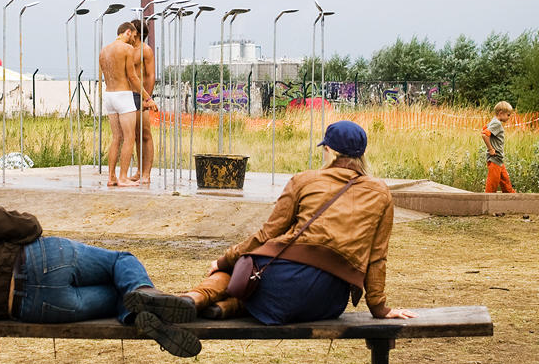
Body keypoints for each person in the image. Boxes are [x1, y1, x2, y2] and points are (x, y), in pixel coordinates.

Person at [0, 165, 201, 357]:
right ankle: (146, 294)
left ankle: (140, 316)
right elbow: (29, 226)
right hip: (39, 259)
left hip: (29, 307)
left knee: (114, 296)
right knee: (121, 261)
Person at [179, 120, 417, 324]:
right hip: (328, 299)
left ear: (329, 151)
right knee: (271, 295)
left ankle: (193, 298)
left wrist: (223, 260)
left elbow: (267, 234)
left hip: (282, 280)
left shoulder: (304, 180)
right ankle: (227, 308)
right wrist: (379, 308)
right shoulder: (380, 192)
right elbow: (377, 256)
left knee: (243, 268)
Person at [99, 22, 155, 187]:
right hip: (124, 96)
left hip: (109, 95)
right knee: (130, 138)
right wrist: (148, 98)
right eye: (132, 35)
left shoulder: (104, 50)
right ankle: (123, 177)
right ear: (128, 32)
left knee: (117, 138)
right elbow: (132, 77)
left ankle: (111, 177)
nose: (133, 39)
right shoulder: (127, 49)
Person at [130, 19, 157, 184]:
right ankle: (139, 170)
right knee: (134, 136)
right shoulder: (127, 49)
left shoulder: (145, 50)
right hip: (128, 96)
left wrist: (147, 98)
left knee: (145, 134)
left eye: (131, 30)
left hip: (141, 96)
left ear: (138, 33)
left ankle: (146, 173)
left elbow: (150, 75)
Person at [482, 101, 516, 193]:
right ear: (501, 113)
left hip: (499, 160)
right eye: (508, 115)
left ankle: (515, 203)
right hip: (495, 159)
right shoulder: (497, 123)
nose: (509, 117)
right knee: (491, 188)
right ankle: (486, 205)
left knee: (506, 185)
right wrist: (490, 149)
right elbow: (485, 134)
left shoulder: (494, 121)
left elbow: (484, 128)